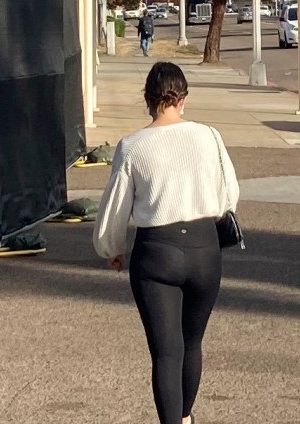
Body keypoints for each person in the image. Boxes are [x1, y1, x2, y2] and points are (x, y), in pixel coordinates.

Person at [94, 63, 242, 424]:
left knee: (166, 352)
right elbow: (230, 195)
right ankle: (187, 417)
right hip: (205, 250)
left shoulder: (132, 146)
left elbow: (115, 208)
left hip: (157, 252)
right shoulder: (209, 136)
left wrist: (111, 247)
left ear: (147, 99)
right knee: (192, 344)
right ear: (184, 99)